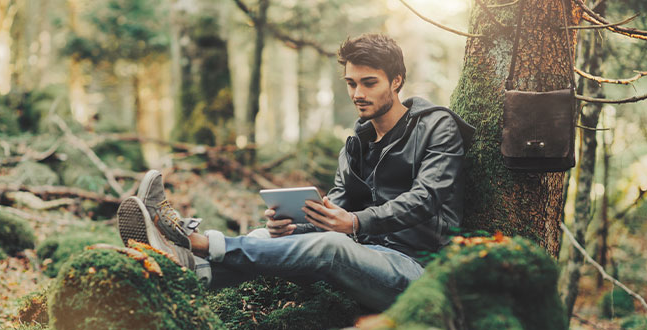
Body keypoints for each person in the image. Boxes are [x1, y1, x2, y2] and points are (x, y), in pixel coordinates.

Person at [117, 33, 475, 312]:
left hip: (419, 272)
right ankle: (180, 271)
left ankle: (195, 242)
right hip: (365, 255)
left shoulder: (435, 125)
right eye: (351, 83)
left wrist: (353, 223)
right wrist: (293, 225)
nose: (358, 93)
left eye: (369, 83)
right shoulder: (357, 143)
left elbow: (427, 198)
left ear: (396, 81)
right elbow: (332, 210)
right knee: (262, 236)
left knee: (332, 246)